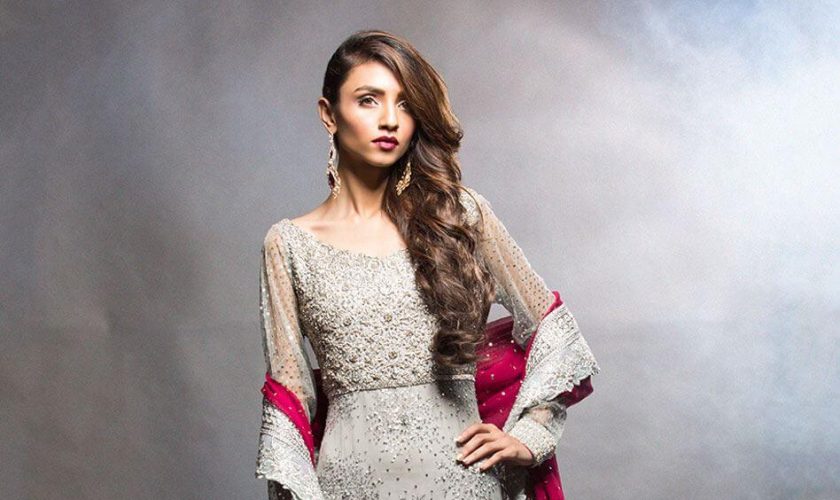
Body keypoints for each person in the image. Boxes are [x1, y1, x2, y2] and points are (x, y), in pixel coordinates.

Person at [254, 29, 600, 500]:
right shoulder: (289, 245)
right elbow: (289, 404)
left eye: (405, 104)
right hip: (346, 488)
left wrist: (531, 434)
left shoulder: (461, 216)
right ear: (328, 114)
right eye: (369, 100)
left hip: (463, 484)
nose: (390, 120)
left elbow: (554, 332)